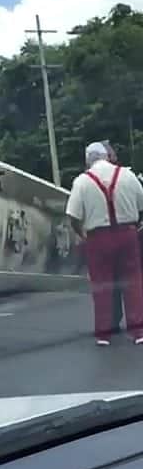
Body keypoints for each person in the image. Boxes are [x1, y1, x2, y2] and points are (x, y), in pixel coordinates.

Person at [66, 142, 143, 346]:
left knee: (102, 283)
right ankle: (138, 330)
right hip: (127, 233)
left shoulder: (82, 181)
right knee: (133, 280)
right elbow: (141, 203)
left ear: (87, 160)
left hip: (98, 237)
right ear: (107, 156)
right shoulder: (127, 175)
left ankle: (104, 333)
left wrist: (81, 233)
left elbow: (73, 215)